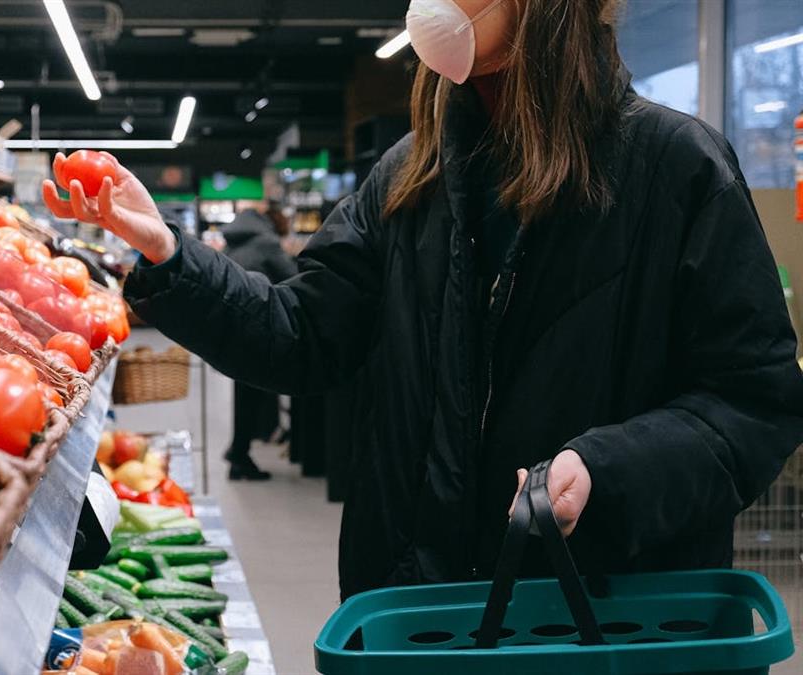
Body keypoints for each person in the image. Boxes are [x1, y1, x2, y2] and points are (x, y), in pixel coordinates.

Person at [44, 0, 803, 600]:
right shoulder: (412, 176)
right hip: (423, 609)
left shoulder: (676, 170)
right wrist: (169, 255)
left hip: (599, 616)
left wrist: (610, 468)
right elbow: (300, 333)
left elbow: (755, 399)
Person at [218, 203, 297, 480]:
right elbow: (293, 279)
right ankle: (240, 455)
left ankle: (239, 451)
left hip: (232, 327)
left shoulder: (234, 241)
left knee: (246, 393)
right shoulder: (267, 242)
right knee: (253, 394)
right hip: (256, 328)